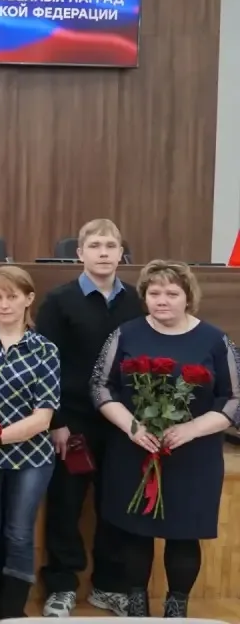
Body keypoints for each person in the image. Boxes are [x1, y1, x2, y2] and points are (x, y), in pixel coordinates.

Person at [90, 260, 240, 618]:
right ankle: (136, 607)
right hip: (135, 449)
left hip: (193, 454)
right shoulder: (125, 334)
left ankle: (176, 610)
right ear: (144, 296)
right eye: (154, 292)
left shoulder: (215, 340)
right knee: (135, 532)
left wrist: (191, 428)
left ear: (188, 297)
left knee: (183, 534)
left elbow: (234, 398)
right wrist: (132, 426)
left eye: (172, 293)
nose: (162, 300)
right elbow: (100, 386)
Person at [36, 219, 142, 618]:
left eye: (110, 246)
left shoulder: (136, 301)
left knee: (115, 505)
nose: (103, 252)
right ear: (80, 253)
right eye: (95, 245)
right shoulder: (59, 301)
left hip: (121, 423)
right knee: (65, 506)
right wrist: (57, 421)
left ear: (121, 254)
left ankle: (108, 587)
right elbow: (46, 366)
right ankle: (62, 586)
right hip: (73, 422)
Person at [0, 267, 59, 622]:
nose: (4, 304)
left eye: (12, 297)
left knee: (19, 533)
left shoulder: (45, 349)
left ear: (28, 299)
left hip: (31, 457)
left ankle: (11, 613)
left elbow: (43, 418)